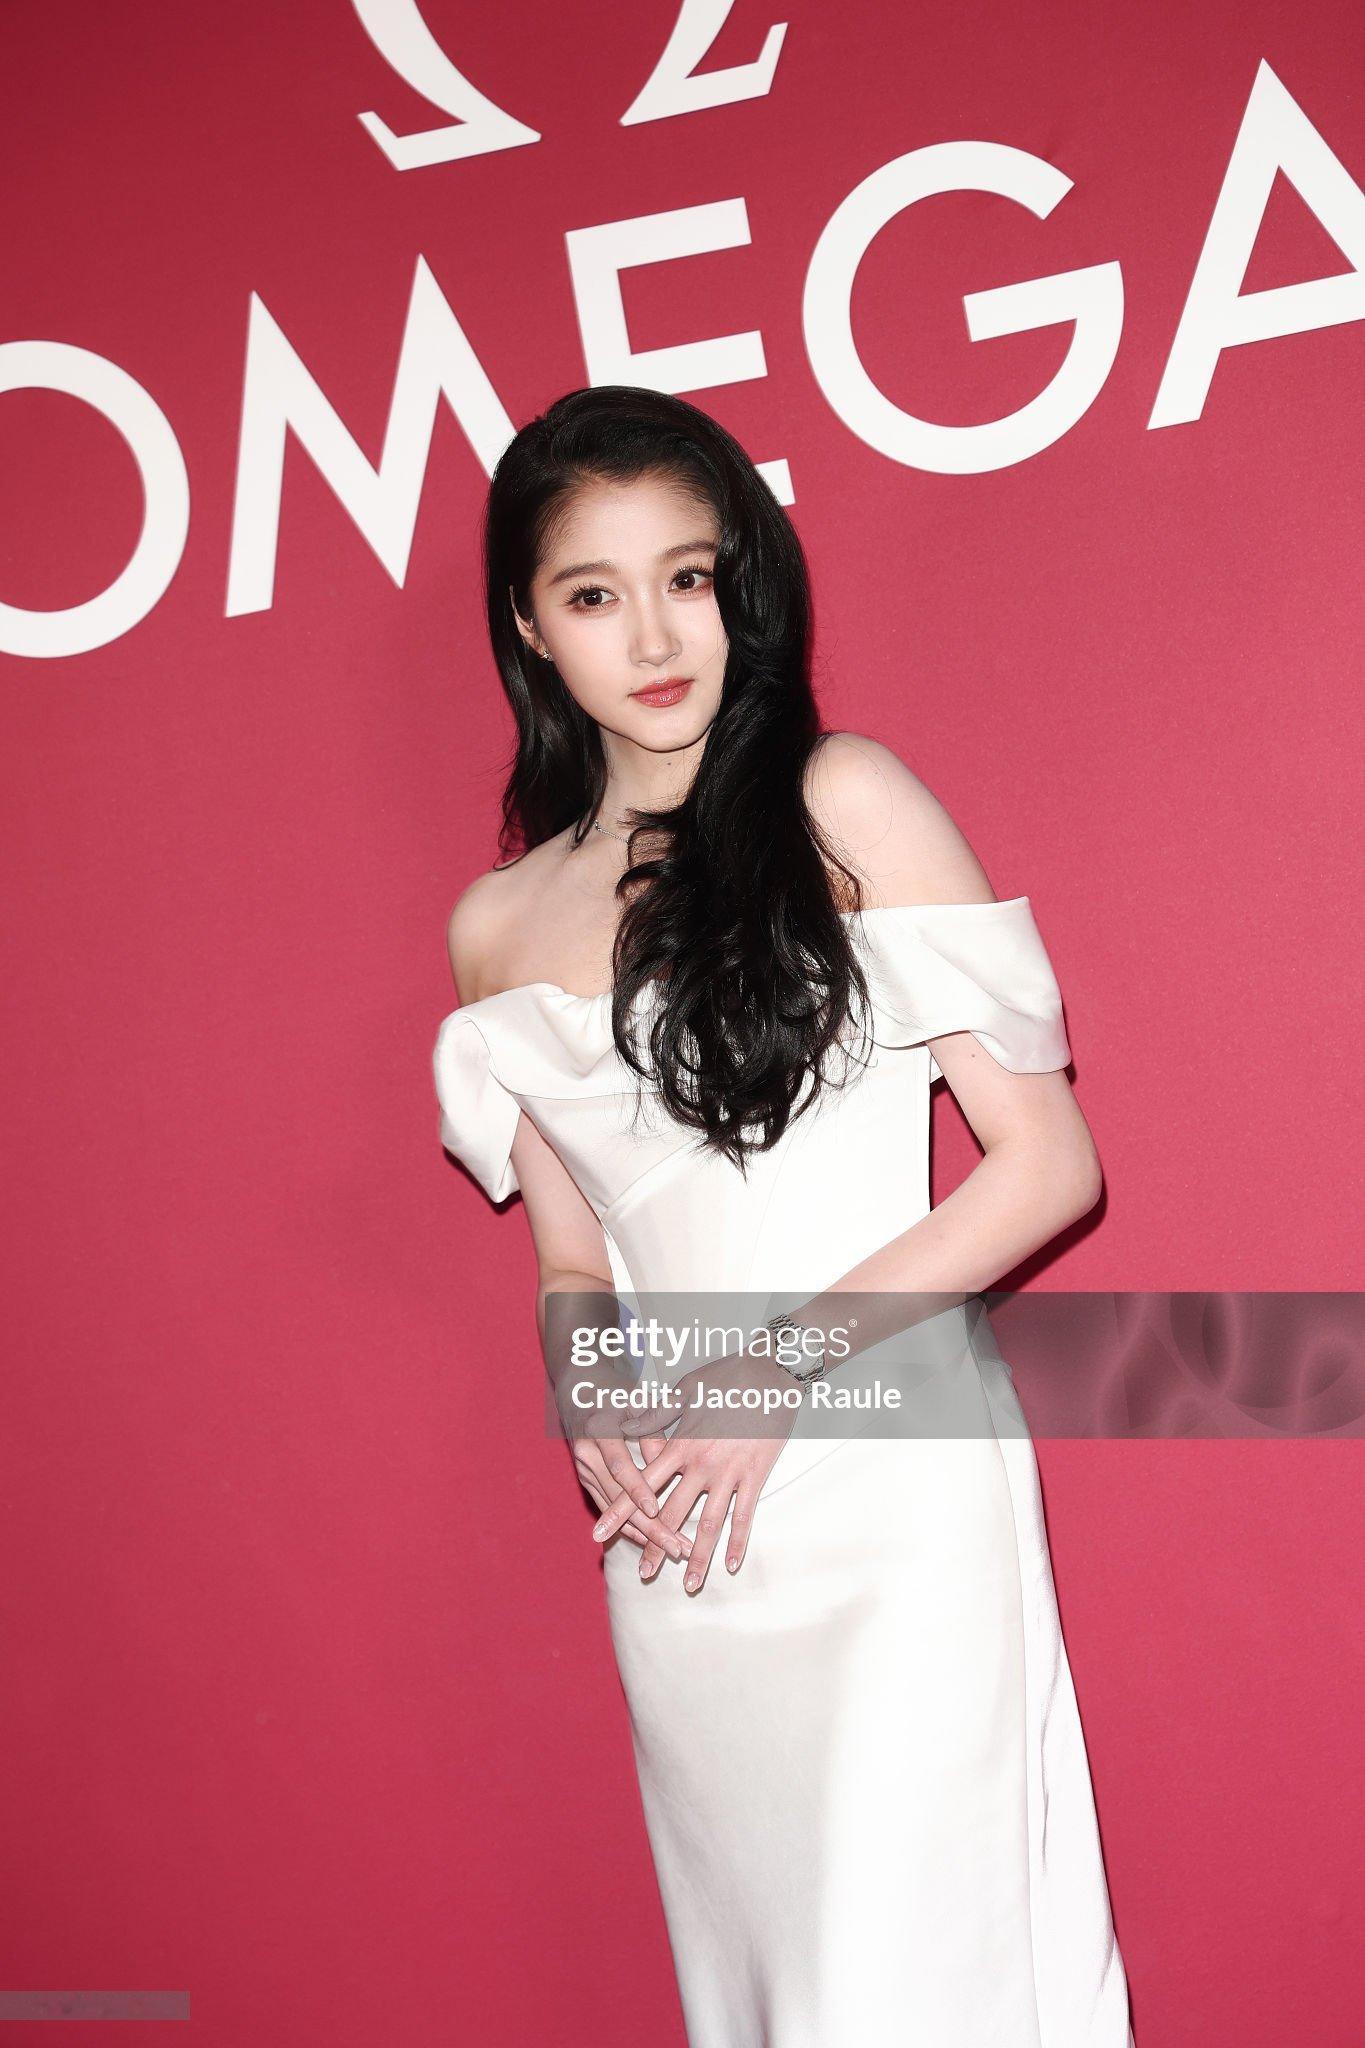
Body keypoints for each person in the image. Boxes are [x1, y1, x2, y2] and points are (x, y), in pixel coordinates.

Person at [433, 385, 1136, 2046]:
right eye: (593, 593)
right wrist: (590, 1392)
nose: (653, 637)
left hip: (885, 1471)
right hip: (681, 1527)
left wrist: (766, 1375)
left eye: (687, 577)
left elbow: (1046, 1167)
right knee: (772, 1991)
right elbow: (570, 1251)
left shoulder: (841, 799)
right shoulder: (492, 924)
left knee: (923, 1965)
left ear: (740, 581)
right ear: (528, 625)